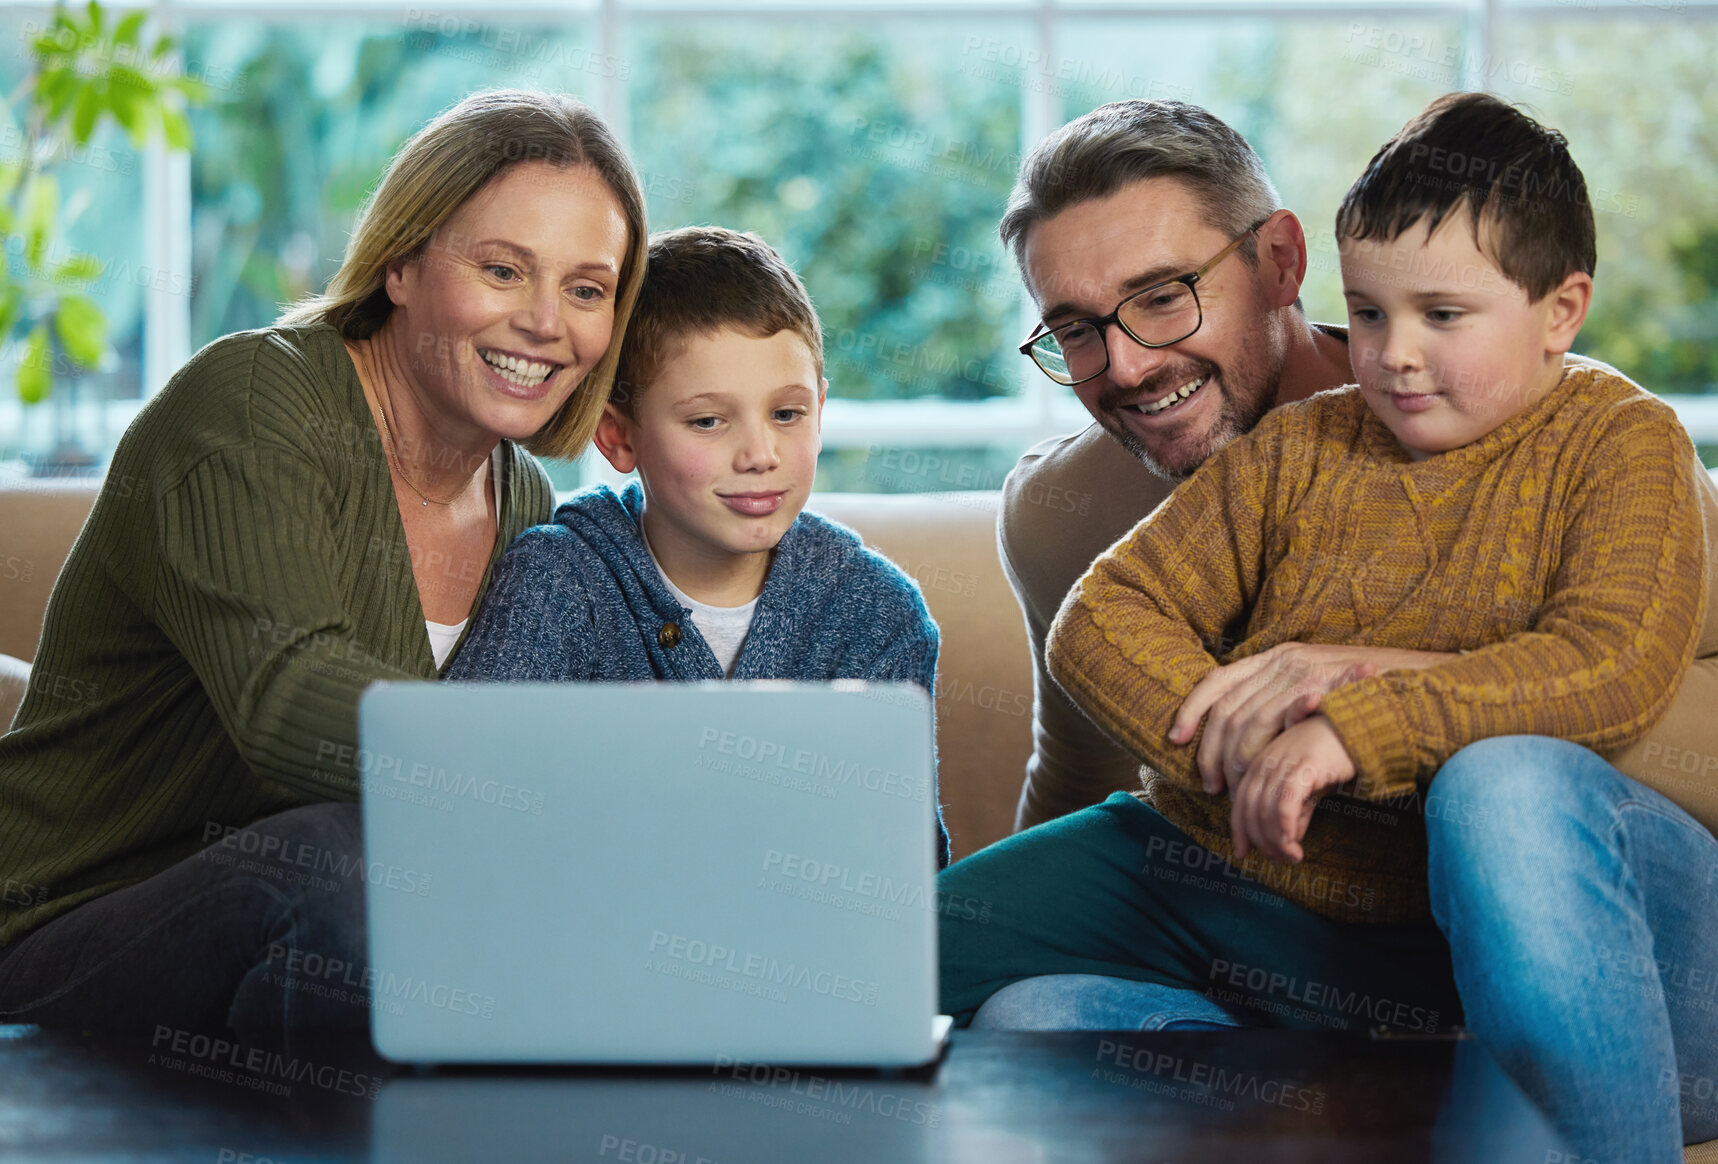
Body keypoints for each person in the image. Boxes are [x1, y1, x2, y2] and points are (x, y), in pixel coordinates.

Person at [940, 95, 1718, 1162]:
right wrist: (1269, 748)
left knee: (1503, 781)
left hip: (1621, 951)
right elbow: (1094, 673)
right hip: (1294, 940)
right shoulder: (1267, 459)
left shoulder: (1617, 443)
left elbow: (1611, 668)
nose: (1122, 366)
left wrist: (1356, 704)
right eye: (1075, 328)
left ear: (1277, 261)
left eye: (1160, 297)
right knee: (1035, 1021)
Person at [0, 89, 649, 1045]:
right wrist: (550, 777)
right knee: (341, 859)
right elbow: (286, 696)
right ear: (402, 261)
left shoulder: (524, 504)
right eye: (504, 270)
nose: (548, 322)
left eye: (587, 290)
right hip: (64, 926)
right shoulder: (250, 403)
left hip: (323, 943)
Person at [447, 226, 949, 867]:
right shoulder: (555, 580)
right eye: (708, 421)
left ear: (820, 409)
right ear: (618, 438)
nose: (761, 455)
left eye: (787, 414)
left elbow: (905, 872)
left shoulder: (879, 614)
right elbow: (469, 816)